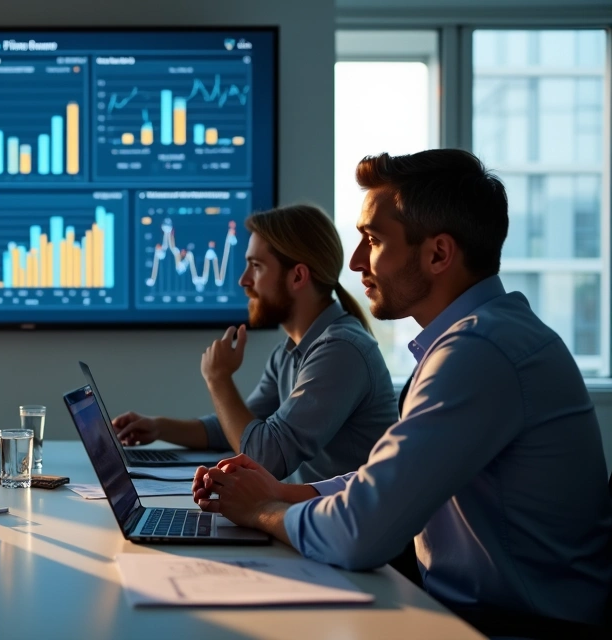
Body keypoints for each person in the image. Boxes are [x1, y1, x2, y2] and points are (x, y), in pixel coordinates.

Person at [193, 150, 612, 636]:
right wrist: (284, 491)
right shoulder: (479, 338)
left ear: (437, 254)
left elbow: (358, 533)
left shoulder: (480, 351)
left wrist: (262, 510)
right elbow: (389, 480)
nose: (354, 262)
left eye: (372, 240)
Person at [113, 204, 397, 483]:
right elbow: (234, 428)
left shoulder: (340, 351)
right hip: (306, 520)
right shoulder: (289, 352)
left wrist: (218, 379)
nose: (243, 280)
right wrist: (159, 428)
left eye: (256, 267)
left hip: (337, 527)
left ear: (298, 276)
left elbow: (265, 458)